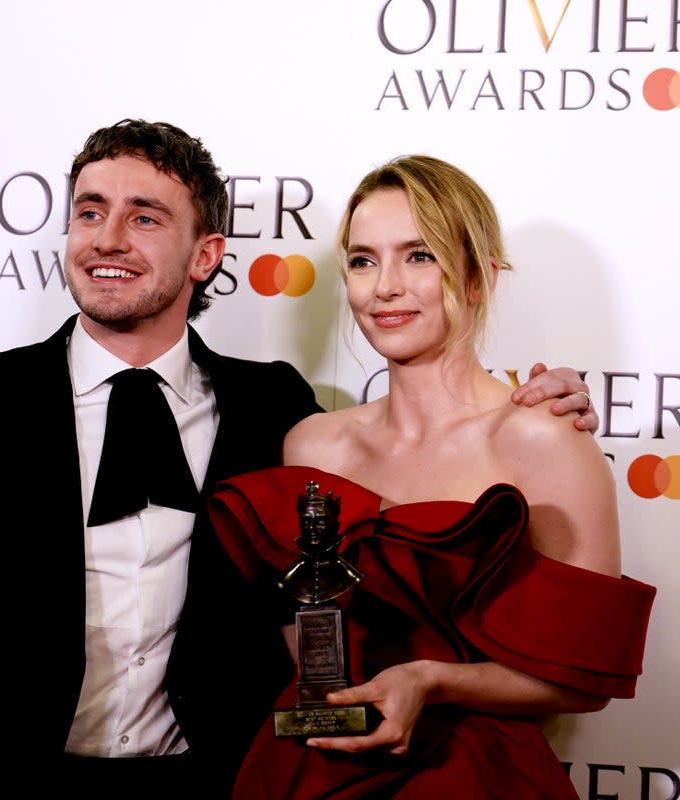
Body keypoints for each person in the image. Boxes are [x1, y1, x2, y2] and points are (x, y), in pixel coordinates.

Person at [0, 121, 600, 798]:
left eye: (145, 217)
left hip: (214, 785)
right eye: (89, 212)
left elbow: (429, 462)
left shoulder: (277, 411)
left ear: (206, 253)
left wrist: (538, 400)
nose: (107, 239)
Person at [206, 155, 656, 798]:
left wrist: (432, 681)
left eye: (419, 255)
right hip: (317, 771)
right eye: (363, 261)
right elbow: (306, 637)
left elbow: (584, 678)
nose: (384, 286)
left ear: (480, 278)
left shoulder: (540, 435)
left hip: (478, 777)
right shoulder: (314, 445)